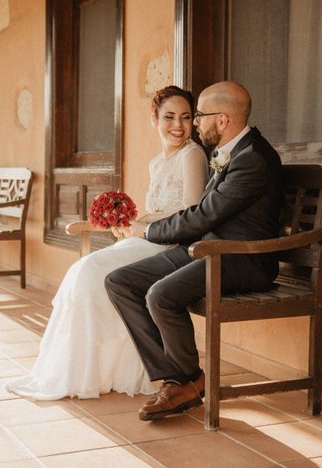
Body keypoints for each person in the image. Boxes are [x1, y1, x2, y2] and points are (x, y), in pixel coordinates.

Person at [5, 86, 208, 400]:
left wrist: (143, 225)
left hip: (169, 245)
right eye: (169, 116)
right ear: (154, 118)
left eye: (185, 117)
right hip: (149, 238)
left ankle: (101, 369)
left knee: (89, 271)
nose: (177, 125)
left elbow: (191, 209)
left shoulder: (192, 154)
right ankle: (88, 369)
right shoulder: (157, 162)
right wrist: (129, 224)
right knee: (81, 272)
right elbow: (158, 209)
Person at [105, 81, 283, 421]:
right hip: (209, 250)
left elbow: (203, 215)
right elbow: (206, 215)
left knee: (160, 294)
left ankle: (181, 382)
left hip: (242, 259)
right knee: (120, 282)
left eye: (199, 116)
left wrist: (150, 231)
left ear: (222, 119)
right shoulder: (234, 151)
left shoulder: (254, 159)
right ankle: (183, 378)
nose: (194, 124)